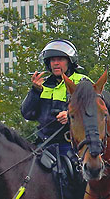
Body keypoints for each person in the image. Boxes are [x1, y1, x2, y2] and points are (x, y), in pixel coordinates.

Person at [21, 38, 89, 168]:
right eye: (52, 60)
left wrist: (70, 115)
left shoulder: (82, 82)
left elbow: (95, 113)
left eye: (60, 59)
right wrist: (35, 91)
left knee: (75, 178)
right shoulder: (42, 84)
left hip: (70, 145)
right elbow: (27, 114)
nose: (56, 63)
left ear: (69, 61)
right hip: (43, 145)